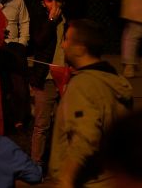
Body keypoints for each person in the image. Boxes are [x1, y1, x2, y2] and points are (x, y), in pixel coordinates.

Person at [50, 19, 133, 187]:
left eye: (66, 39)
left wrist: (66, 179)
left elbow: (85, 138)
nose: (63, 45)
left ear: (80, 48)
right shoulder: (113, 81)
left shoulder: (84, 85)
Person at [29, 0, 68, 167]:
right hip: (45, 79)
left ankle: (61, 163)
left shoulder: (69, 23)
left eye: (57, 0)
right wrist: (51, 20)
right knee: (41, 125)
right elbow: (39, 41)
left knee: (65, 124)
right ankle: (36, 164)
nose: (54, 4)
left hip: (66, 78)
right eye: (49, 0)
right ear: (43, 3)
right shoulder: (39, 20)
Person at [0, 0, 31, 126]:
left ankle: (20, 118)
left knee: (18, 84)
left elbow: (25, 21)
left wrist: (22, 43)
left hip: (14, 47)